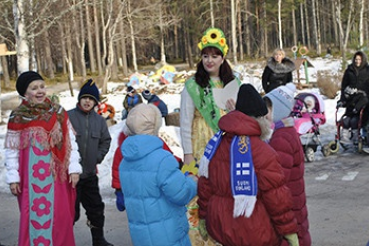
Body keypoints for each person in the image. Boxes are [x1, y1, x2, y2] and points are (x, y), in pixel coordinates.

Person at [197, 84, 299, 246]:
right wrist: (289, 230)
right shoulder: (262, 152)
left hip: (221, 227)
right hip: (254, 230)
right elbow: (276, 197)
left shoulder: (216, 144)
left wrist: (203, 215)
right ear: (260, 119)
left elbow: (205, 184)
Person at [4, 71, 82, 246]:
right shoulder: (18, 116)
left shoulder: (59, 113)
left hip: (57, 178)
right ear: (25, 93)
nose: (39, 91)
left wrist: (74, 168)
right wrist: (13, 177)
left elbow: (70, 142)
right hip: (30, 182)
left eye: (41, 86)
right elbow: (12, 150)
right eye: (34, 88)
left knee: (60, 217)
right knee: (34, 217)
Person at [180, 27, 241, 245]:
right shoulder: (192, 86)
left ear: (223, 58)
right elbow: (185, 122)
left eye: (214, 56)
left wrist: (235, 112)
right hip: (200, 148)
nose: (209, 60)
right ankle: (199, 240)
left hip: (225, 147)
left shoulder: (233, 84)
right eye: (205, 55)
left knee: (223, 193)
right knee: (200, 194)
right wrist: (187, 154)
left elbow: (240, 120)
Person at [119, 103, 197, 246]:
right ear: (155, 125)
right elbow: (181, 194)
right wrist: (192, 181)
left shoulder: (125, 163)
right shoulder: (163, 159)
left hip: (141, 237)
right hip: (168, 235)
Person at [264, 83, 311, 246]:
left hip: (289, 208)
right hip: (295, 205)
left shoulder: (281, 138)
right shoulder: (286, 131)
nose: (265, 114)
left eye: (268, 109)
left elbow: (278, 179)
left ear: (278, 110)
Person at [67, 79, 113, 246]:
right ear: (79, 99)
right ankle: (65, 240)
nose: (87, 101)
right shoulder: (68, 117)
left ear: (95, 102)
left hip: (89, 175)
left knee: (96, 209)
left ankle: (98, 239)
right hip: (70, 177)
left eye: (91, 99)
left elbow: (106, 141)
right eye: (84, 98)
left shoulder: (99, 121)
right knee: (71, 212)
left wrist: (97, 157)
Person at [111, 122, 183, 212]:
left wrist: (178, 163)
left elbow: (167, 157)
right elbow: (117, 170)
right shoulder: (124, 149)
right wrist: (119, 190)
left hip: (155, 188)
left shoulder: (157, 142)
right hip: (137, 191)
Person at [337, 51, 369, 147]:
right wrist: (343, 98)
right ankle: (347, 137)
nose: (357, 61)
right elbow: (344, 86)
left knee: (361, 120)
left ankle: (362, 137)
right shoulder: (349, 70)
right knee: (348, 119)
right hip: (351, 99)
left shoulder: (367, 70)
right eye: (356, 59)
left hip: (364, 100)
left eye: (359, 59)